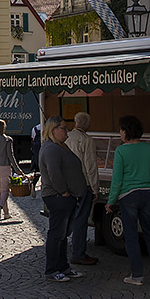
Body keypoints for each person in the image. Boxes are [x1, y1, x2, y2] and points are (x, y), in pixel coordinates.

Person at [106, 115, 150, 286]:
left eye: (120, 129)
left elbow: (117, 180)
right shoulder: (149, 148)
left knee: (131, 237)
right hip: (147, 194)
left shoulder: (121, 151)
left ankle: (137, 276)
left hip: (128, 197)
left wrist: (110, 201)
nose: (119, 132)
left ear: (126, 131)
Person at [37, 122, 88, 283]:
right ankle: (52, 269)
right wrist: (64, 192)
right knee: (56, 234)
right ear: (54, 130)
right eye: (64, 128)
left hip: (66, 197)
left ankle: (63, 266)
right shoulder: (52, 148)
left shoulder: (60, 146)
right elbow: (54, 173)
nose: (67, 131)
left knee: (62, 235)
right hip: (58, 197)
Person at [65, 112, 100, 267]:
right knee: (81, 219)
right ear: (87, 124)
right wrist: (95, 188)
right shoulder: (87, 140)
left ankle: (67, 249)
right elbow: (90, 166)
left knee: (69, 217)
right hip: (83, 183)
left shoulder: (65, 138)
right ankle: (78, 253)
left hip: (67, 184)